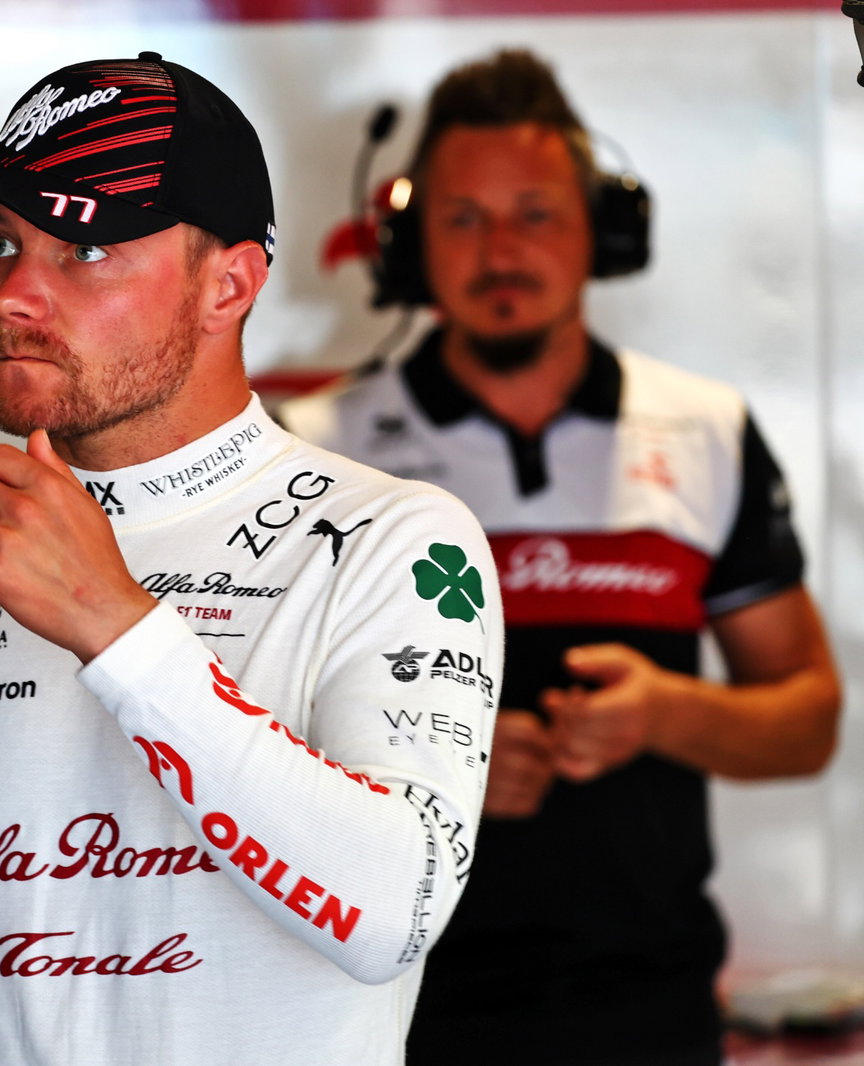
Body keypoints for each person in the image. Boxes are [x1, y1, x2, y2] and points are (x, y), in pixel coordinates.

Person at [0, 51, 503, 1065]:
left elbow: (393, 913)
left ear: (229, 284)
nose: (11, 295)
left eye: (82, 249)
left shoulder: (394, 539)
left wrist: (114, 621)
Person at [278, 48, 842, 1066]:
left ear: (603, 232)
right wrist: (425, 764)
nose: (501, 249)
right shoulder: (317, 446)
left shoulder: (704, 430)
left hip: (652, 1008)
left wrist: (669, 712)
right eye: (463, 218)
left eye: (534, 211)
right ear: (405, 243)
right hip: (392, 1011)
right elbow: (234, 749)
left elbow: (805, 721)